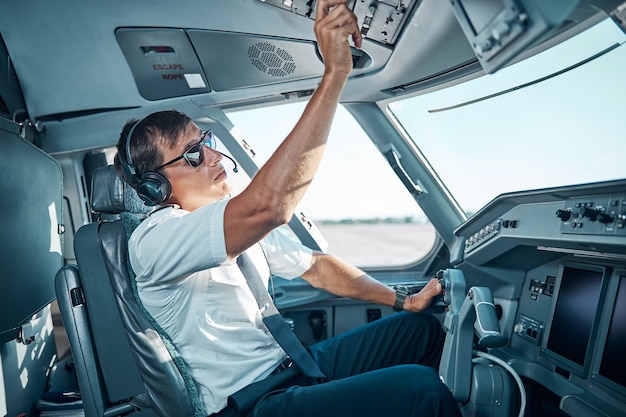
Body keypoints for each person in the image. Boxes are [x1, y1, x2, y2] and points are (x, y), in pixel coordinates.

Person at [114, 1, 462, 416]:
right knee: (419, 390)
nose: (213, 156)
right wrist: (335, 74)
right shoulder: (154, 240)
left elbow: (315, 267)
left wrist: (403, 301)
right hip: (250, 403)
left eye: (204, 142)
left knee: (419, 330)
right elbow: (270, 207)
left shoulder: (226, 225)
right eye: (191, 155)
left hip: (291, 368)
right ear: (155, 187)